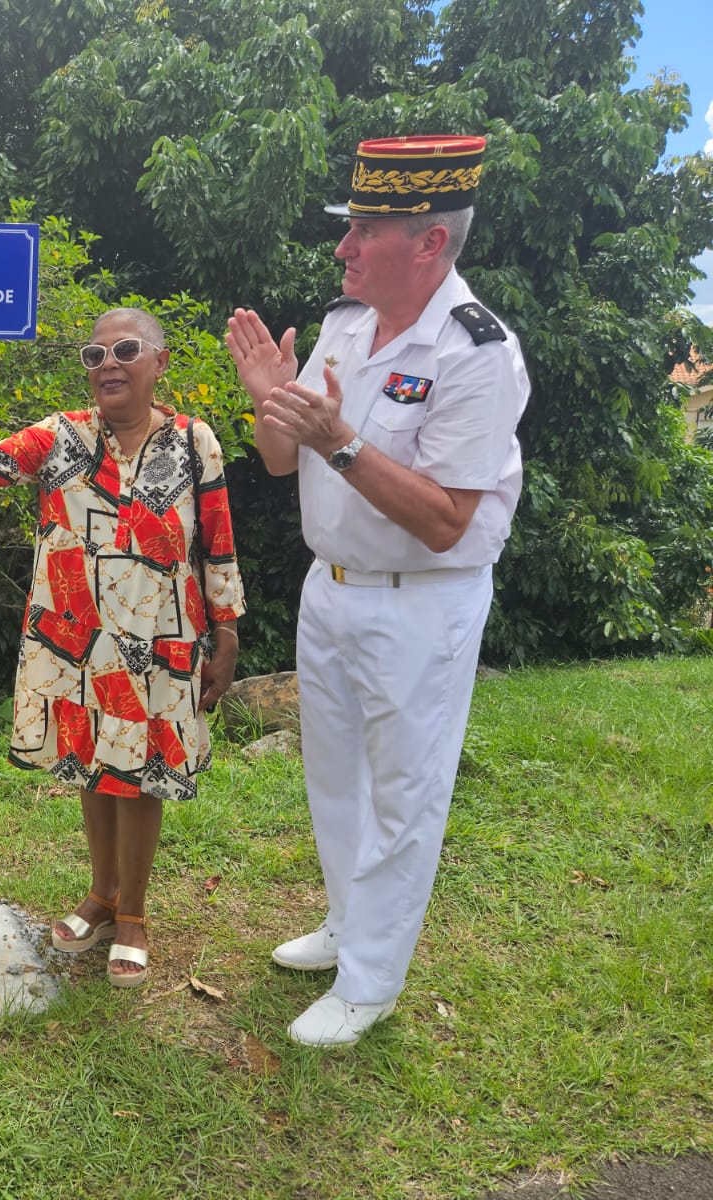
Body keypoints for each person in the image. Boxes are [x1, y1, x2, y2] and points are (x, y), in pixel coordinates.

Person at [225, 135, 528, 1046]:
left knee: (405, 792)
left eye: (363, 231)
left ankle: (372, 982)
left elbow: (444, 519)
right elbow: (285, 460)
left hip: (421, 599)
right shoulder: (346, 326)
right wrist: (265, 397)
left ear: (428, 243)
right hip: (335, 587)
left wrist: (343, 441)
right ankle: (347, 926)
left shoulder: (479, 352)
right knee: (338, 779)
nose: (343, 249)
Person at [0, 307, 246, 989]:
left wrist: (227, 631)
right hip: (76, 644)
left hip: (162, 644)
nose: (107, 363)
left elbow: (216, 540)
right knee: (91, 766)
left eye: (125, 350)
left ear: (159, 362)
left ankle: (132, 914)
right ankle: (102, 895)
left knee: (141, 776)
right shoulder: (62, 437)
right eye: (94, 354)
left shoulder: (196, 442)